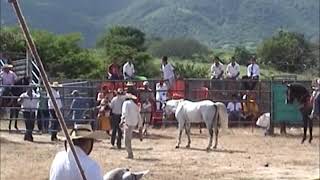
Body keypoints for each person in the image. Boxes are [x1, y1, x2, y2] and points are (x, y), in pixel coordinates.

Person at [121, 93, 143, 159]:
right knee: (128, 138)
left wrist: (123, 120)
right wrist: (139, 125)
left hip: (127, 122)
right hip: (133, 123)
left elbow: (124, 112)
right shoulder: (134, 105)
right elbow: (138, 115)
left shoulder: (125, 104)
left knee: (126, 139)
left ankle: (130, 154)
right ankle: (130, 153)